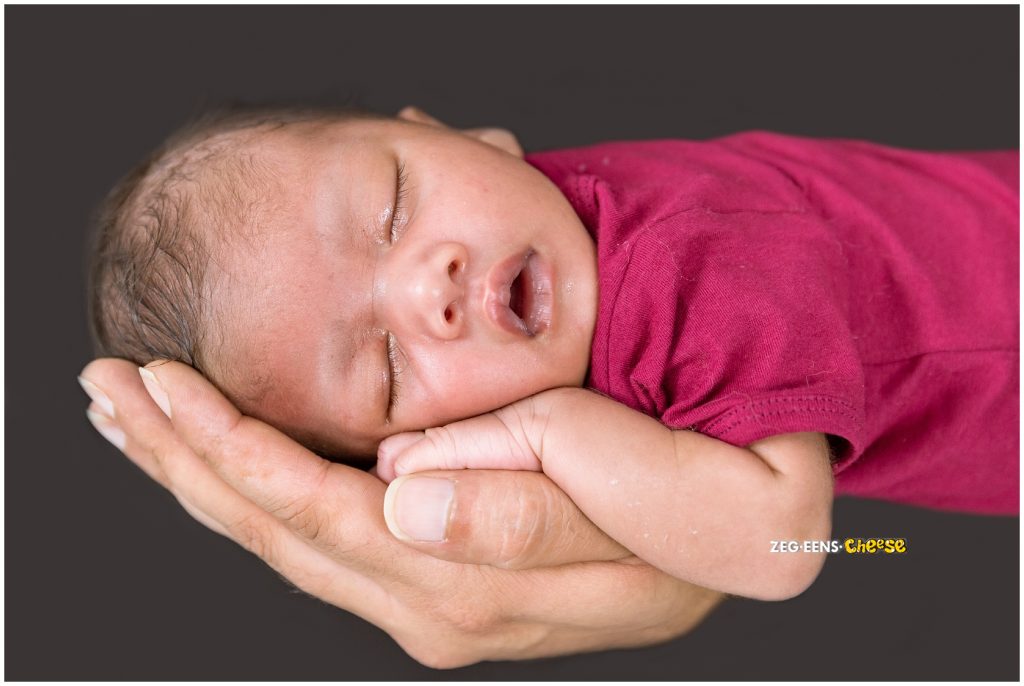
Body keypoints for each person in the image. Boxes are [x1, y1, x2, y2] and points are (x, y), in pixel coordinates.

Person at [81, 101, 1017, 624]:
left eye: (392, 209)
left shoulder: (680, 276)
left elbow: (788, 549)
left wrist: (545, 430)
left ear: (463, 133)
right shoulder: (561, 196)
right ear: (431, 445)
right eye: (387, 374)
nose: (429, 290)